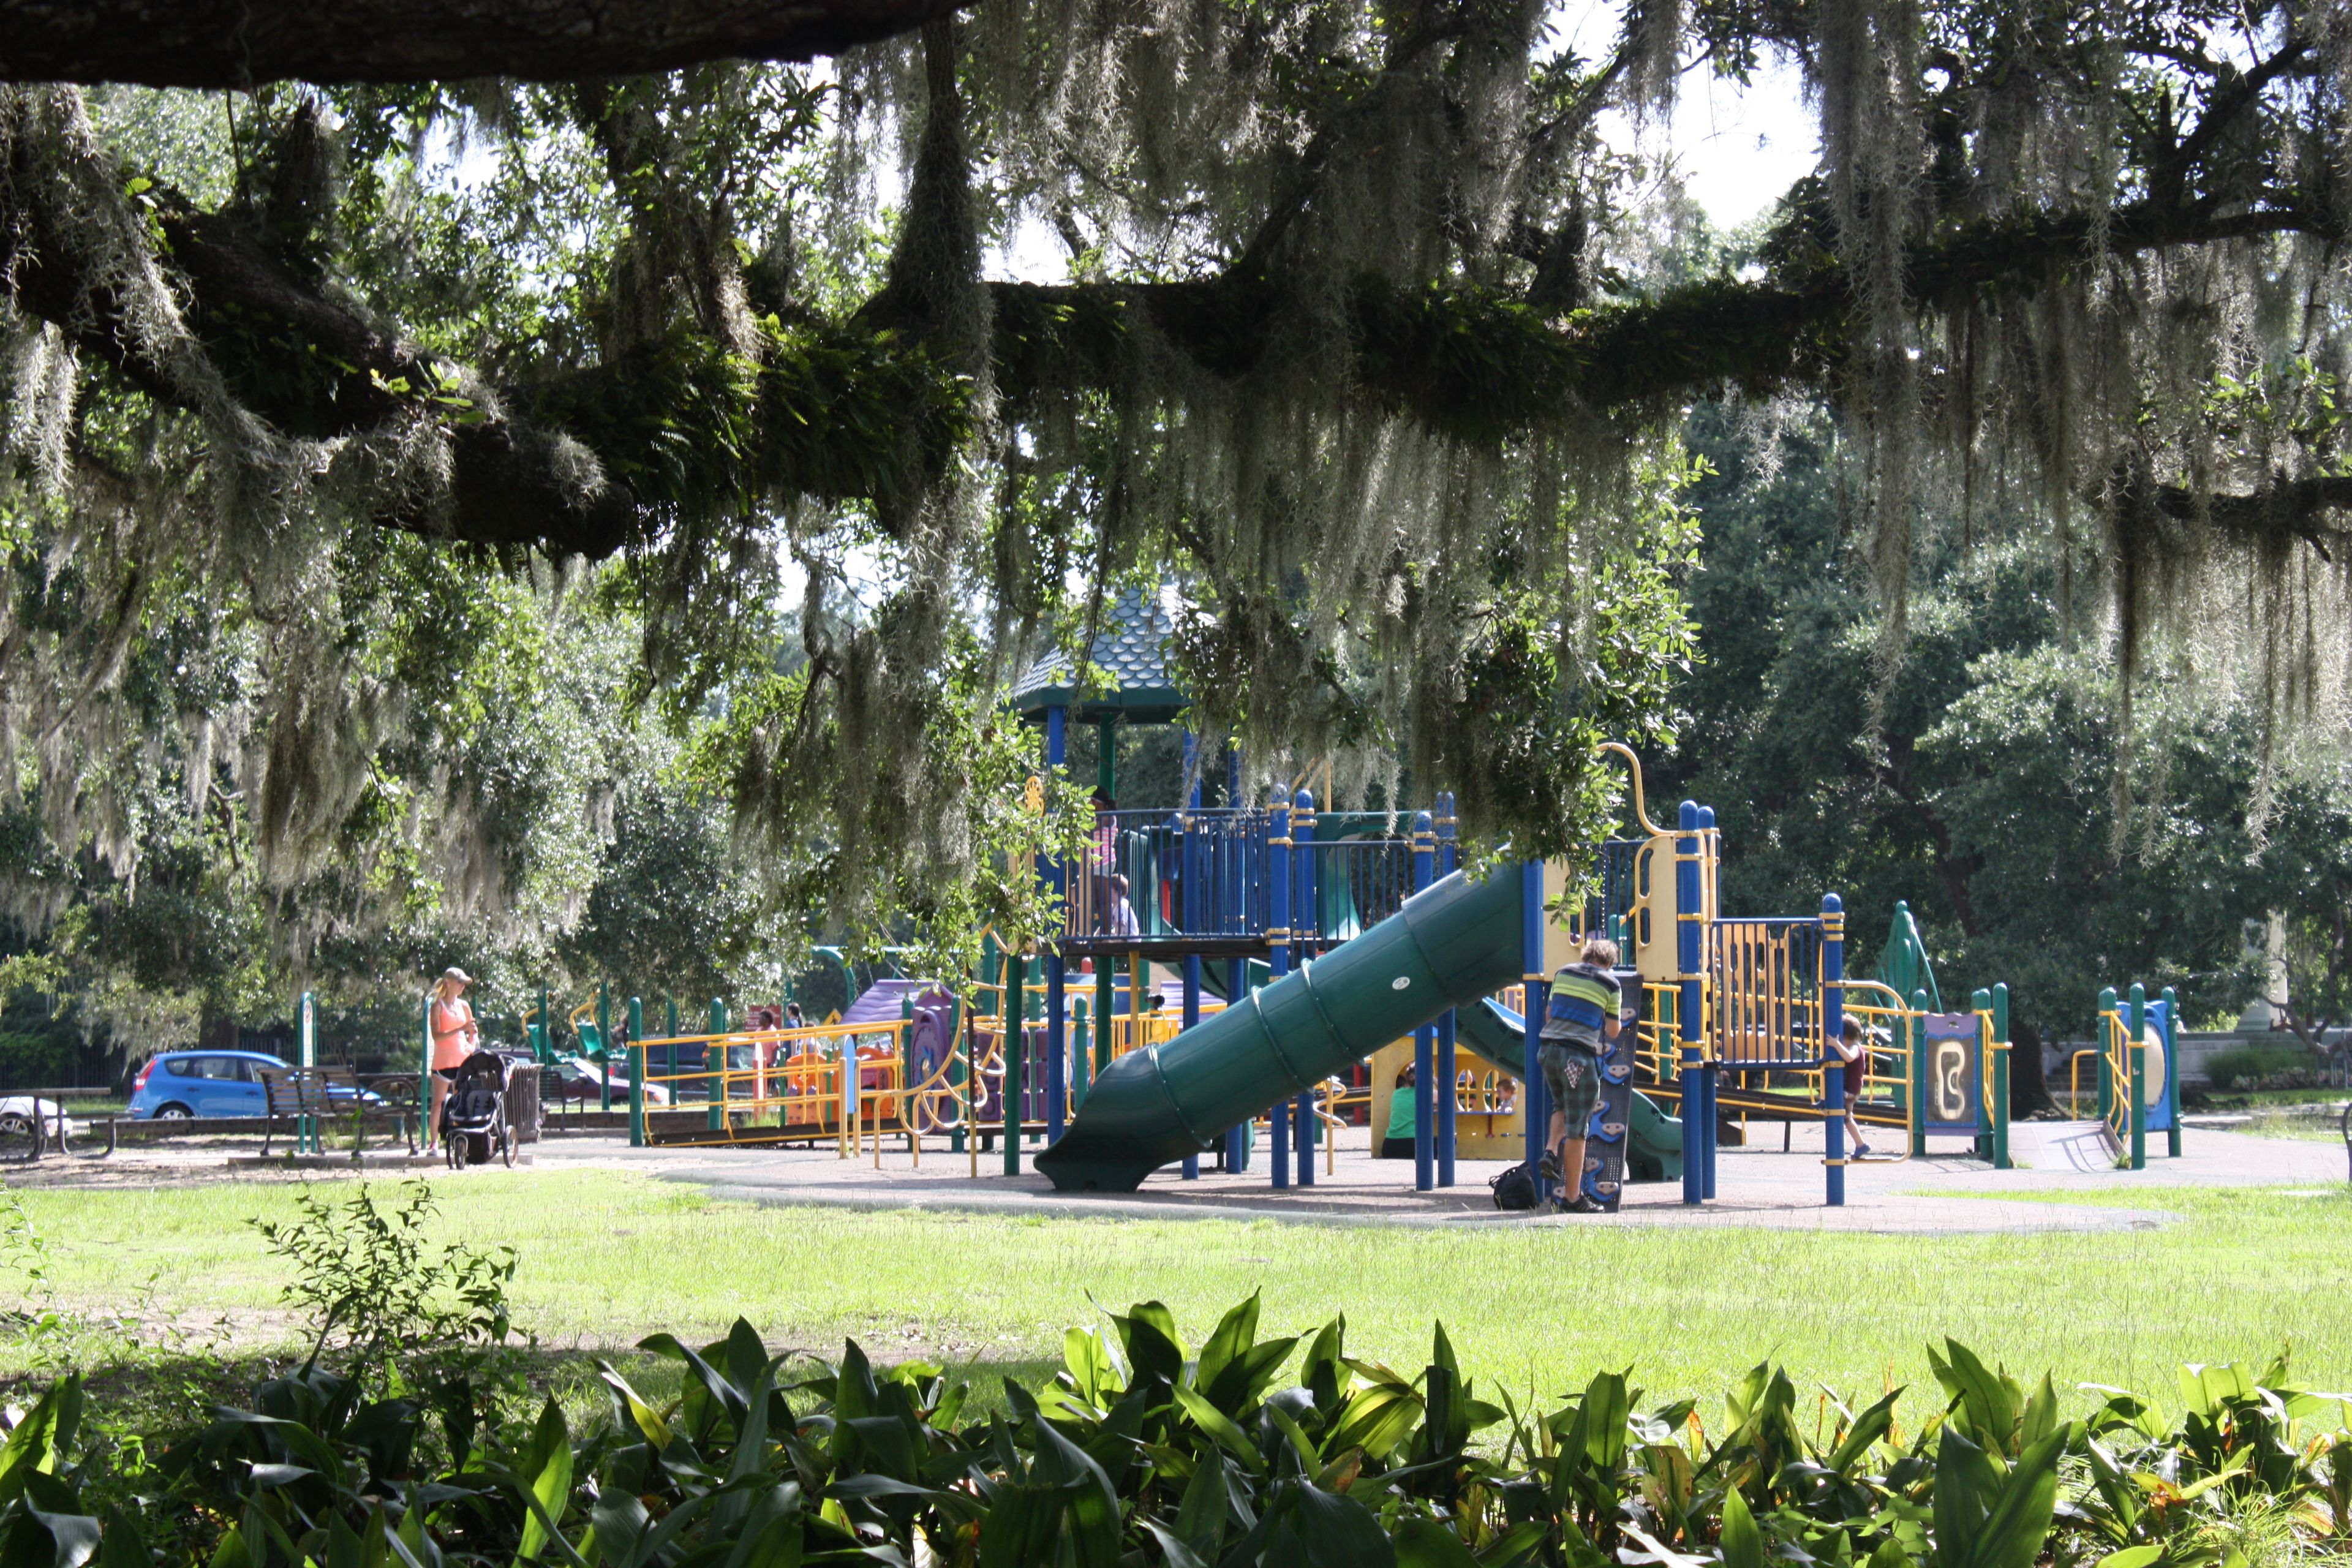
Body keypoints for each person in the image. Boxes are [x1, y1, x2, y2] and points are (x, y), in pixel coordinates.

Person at [1537, 937, 1621, 1214]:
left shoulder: (1563, 973)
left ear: (1587, 955)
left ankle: (1550, 1149)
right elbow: (1613, 1030)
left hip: (1548, 1051)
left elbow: (1550, 1013)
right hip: (1578, 1059)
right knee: (1578, 1130)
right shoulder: (1610, 984)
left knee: (1560, 1105)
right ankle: (1573, 1198)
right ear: (1609, 963)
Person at [426, 967, 481, 1153]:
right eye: (460, 983)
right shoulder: (437, 1006)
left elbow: (473, 1031)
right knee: (438, 1103)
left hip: (462, 1061)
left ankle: (461, 1141)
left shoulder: (464, 1006)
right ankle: (433, 1143)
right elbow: (437, 1036)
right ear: (449, 983)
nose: (462, 987)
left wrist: (472, 1045)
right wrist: (460, 1029)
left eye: (464, 984)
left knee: (461, 1101)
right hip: (442, 1063)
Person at [1825, 1014, 1874, 1158]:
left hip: (1850, 1091)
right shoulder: (1856, 1046)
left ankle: (1861, 1145)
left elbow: (1849, 1057)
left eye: (1842, 1040)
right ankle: (1861, 1145)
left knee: (1845, 1118)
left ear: (1846, 1036)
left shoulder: (1855, 1048)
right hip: (1852, 1089)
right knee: (1847, 1118)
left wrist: (1835, 1044)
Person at [1381, 1063, 1417, 1158]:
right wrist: (1432, 1078)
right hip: (1413, 1144)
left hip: (1390, 1146)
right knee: (1450, 1140)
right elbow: (1447, 1094)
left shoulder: (1396, 1094)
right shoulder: (1425, 1093)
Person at [1107, 872, 1142, 939]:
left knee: (1106, 943)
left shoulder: (1122, 906)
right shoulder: (1113, 906)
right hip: (1125, 938)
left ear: (1119, 892)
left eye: (1109, 891)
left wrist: (1113, 940)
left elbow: (1121, 929)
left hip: (1131, 941)